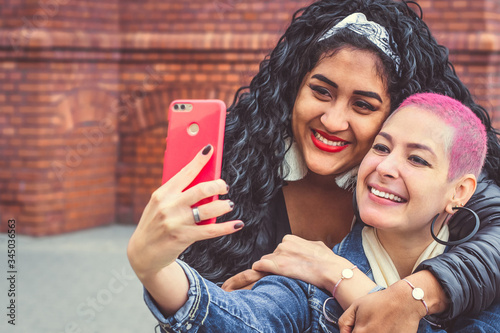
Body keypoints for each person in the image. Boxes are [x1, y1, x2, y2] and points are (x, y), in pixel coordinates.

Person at [129, 0, 500, 330]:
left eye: (363, 105)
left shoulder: (441, 186)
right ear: (295, 88)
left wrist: (402, 290)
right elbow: (235, 314)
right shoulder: (237, 166)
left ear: (398, 114)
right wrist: (157, 267)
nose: (334, 121)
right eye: (321, 91)